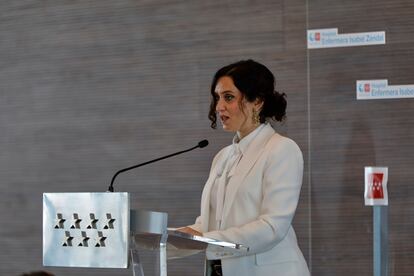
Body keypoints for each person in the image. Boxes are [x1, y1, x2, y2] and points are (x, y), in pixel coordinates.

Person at [178, 59, 310, 276]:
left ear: (257, 101)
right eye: (217, 97)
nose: (219, 106)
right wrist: (167, 238)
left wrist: (208, 241)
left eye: (228, 97)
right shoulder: (222, 157)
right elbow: (210, 224)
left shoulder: (282, 149)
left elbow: (272, 227)